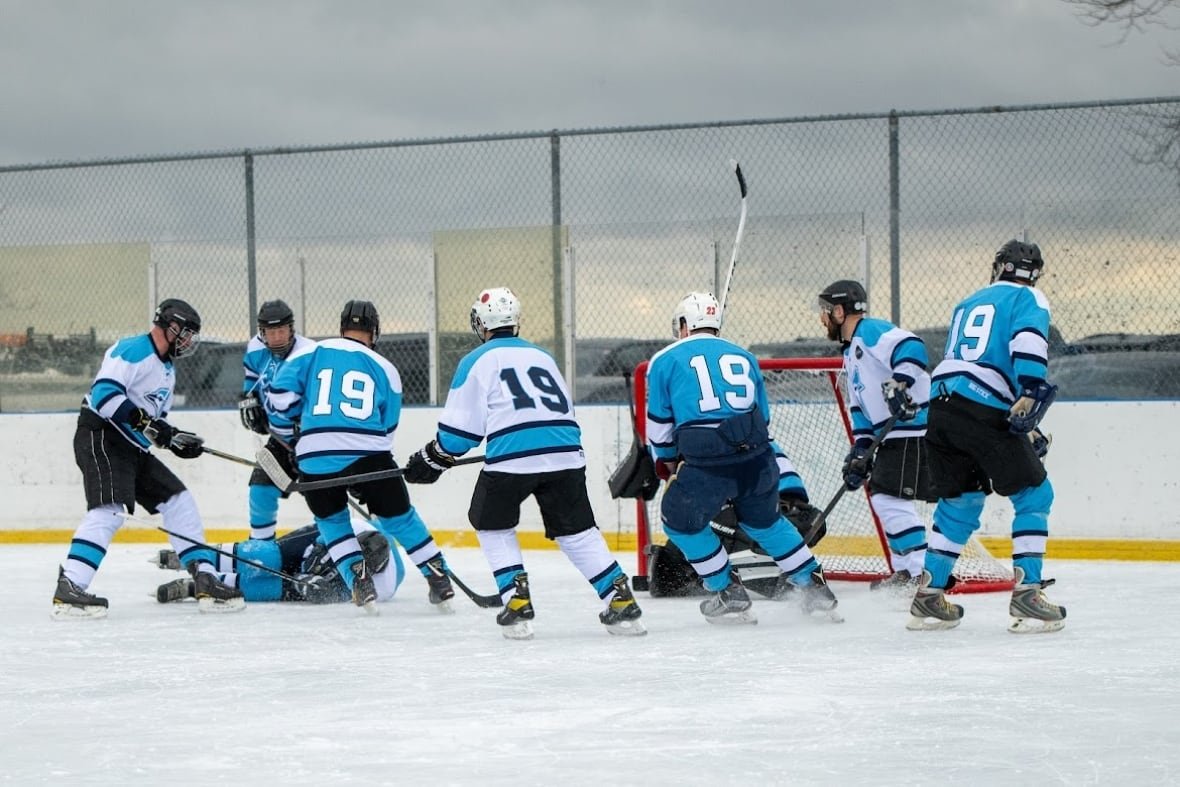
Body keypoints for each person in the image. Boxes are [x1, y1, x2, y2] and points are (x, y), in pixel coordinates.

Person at [404, 286, 646, 639]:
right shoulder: (543, 356)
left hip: (514, 458)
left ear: (480, 323)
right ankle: (620, 598)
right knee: (577, 531)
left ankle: (516, 599)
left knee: (490, 521)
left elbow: (460, 435)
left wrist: (432, 459)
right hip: (566, 452)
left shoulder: (476, 360)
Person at [644, 291, 841, 625]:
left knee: (678, 521)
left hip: (706, 459)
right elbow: (762, 417)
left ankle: (727, 591)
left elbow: (660, 426)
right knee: (764, 522)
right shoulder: (744, 356)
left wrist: (667, 461)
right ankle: (815, 587)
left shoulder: (664, 359)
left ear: (683, 324)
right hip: (757, 455)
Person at [52, 298, 245, 619]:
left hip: (132, 447)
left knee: (179, 500)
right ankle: (70, 586)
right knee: (110, 510)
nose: (188, 342)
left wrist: (173, 438)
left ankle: (205, 577)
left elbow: (149, 424)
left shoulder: (167, 370)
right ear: (171, 328)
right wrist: (149, 425)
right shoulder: (134, 350)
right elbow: (104, 396)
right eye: (186, 334)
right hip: (101, 434)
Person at [909, 240, 1066, 633]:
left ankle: (928, 597)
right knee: (1036, 495)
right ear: (1034, 273)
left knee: (960, 502)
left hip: (941, 404)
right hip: (982, 404)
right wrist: (1031, 391)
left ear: (998, 267)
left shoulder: (968, 302)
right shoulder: (1029, 297)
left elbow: (972, 361)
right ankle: (1028, 592)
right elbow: (1026, 346)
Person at [265, 299, 456, 614]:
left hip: (315, 457)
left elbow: (281, 398)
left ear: (342, 328)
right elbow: (388, 429)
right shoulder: (386, 369)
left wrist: (291, 438)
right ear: (375, 332)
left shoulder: (311, 352)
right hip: (370, 453)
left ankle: (359, 581)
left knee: (332, 521)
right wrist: (365, 471)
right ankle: (438, 577)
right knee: (401, 518)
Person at [818, 279, 934, 592]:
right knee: (884, 498)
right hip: (894, 434)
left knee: (890, 500)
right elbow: (860, 408)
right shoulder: (851, 352)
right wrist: (861, 449)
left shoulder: (869, 332)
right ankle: (905, 570)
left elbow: (912, 347)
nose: (822, 319)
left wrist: (900, 382)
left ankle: (921, 572)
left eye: (826, 311)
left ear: (840, 312)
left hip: (914, 428)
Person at [154, 519, 405, 604]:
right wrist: (315, 559)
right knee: (267, 556)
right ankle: (199, 557)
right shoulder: (350, 527)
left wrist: (310, 588)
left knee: (273, 588)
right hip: (324, 538)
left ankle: (193, 586)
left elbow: (337, 595)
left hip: (341, 567)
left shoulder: (384, 587)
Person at [237, 299, 316, 541]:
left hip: (312, 445)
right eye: (271, 332)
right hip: (279, 441)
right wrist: (249, 402)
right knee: (260, 489)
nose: (278, 338)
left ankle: (333, 546)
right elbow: (251, 381)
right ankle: (261, 547)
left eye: (282, 331)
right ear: (262, 333)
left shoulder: (310, 353)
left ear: (292, 329)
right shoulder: (255, 349)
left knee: (323, 499)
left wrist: (308, 430)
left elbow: (321, 395)